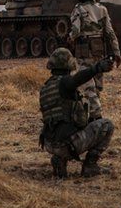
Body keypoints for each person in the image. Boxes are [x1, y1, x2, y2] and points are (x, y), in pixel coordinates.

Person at [39, 48, 114, 178]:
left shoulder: (46, 87)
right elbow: (77, 79)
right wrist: (96, 68)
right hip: (67, 144)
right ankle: (90, 166)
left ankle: (60, 160)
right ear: (69, 64)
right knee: (107, 125)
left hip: (49, 143)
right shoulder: (65, 83)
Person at [68, 0, 121, 121]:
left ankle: (96, 116)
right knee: (97, 84)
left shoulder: (79, 9)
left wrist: (70, 38)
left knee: (87, 83)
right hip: (99, 49)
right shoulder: (102, 9)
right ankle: (94, 110)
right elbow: (110, 33)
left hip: (84, 49)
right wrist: (117, 53)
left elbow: (76, 30)